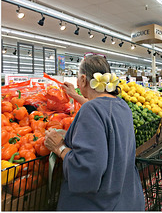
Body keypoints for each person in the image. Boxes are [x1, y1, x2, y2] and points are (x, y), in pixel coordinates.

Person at [44, 53, 145, 211]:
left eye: (78, 77)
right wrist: (74, 95)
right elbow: (102, 108)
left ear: (83, 79)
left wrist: (59, 148)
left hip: (99, 204)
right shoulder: (122, 106)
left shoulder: (91, 110)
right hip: (127, 200)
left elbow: (89, 168)